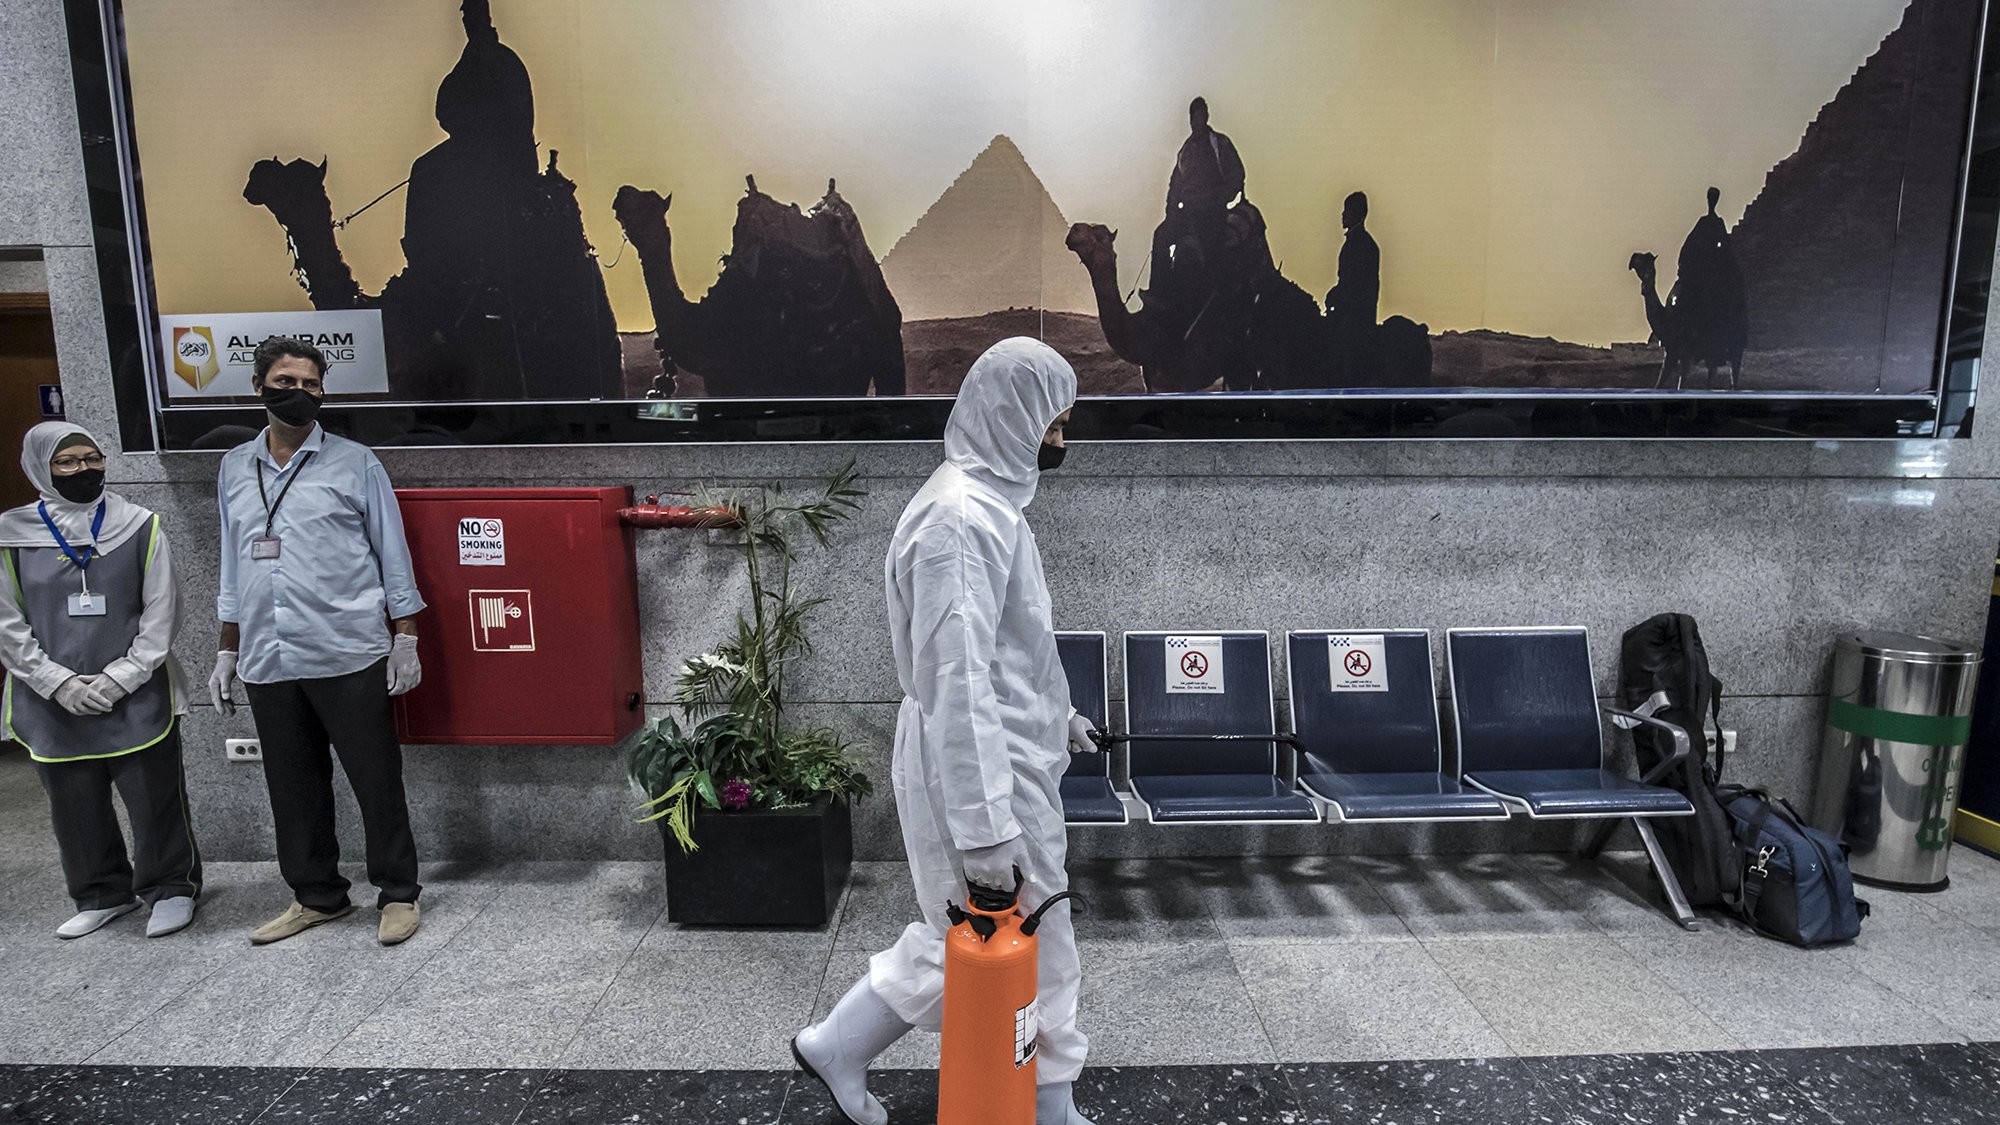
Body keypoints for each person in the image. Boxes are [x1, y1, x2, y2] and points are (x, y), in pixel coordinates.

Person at [792, 337, 1099, 1125]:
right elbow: (955, 683)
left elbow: (1006, 650)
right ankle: (1052, 1102)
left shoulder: (992, 507)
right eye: (1052, 425)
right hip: (980, 773)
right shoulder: (959, 520)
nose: (1061, 442)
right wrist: (987, 828)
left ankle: (839, 1043)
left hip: (1006, 758)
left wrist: (1057, 719)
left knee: (966, 932)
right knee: (1039, 935)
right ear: (1011, 417)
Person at [209, 336, 428, 947]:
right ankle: (317, 896)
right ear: (259, 387)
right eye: (285, 381)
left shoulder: (356, 463)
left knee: (376, 779)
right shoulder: (232, 467)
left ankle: (398, 894)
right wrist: (227, 647)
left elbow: (393, 553)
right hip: (267, 655)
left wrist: (405, 635)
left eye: (310, 384)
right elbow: (233, 564)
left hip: (346, 647)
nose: (298, 393)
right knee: (292, 785)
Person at [0, 423, 198, 940]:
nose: (84, 469)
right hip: (51, 700)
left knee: (154, 798)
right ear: (41, 466)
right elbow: (7, 622)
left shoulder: (139, 525)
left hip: (137, 690)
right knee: (74, 803)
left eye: (93, 458)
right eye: (68, 462)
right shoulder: (10, 536)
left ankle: (170, 887)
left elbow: (164, 610)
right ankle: (102, 893)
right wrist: (58, 683)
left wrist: (121, 678)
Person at [1161, 96, 1247, 280]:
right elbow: (1175, 185)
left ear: (1206, 117)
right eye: (1193, 117)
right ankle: (1159, 290)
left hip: (1212, 210)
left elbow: (1236, 173)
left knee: (1212, 251)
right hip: (1188, 212)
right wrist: (1171, 212)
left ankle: (1219, 290)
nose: (1196, 121)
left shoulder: (1219, 144)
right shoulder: (1185, 152)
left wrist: (1221, 198)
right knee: (1161, 237)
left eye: (1199, 116)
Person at [1326, 191, 1382, 382]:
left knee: (1340, 350)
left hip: (1356, 316)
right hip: (1352, 309)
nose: (1342, 215)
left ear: (1357, 213)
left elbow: (1354, 284)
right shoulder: (1359, 242)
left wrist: (1336, 296)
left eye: (1346, 211)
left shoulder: (1361, 244)